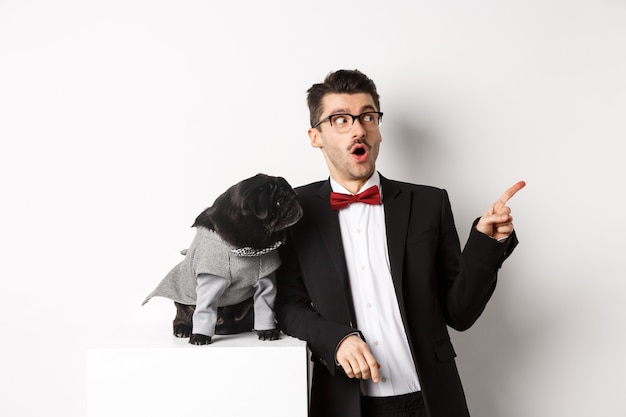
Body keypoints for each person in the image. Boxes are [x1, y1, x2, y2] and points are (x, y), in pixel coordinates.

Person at [274, 69, 525, 417]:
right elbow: (286, 305)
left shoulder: (428, 204)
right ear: (316, 136)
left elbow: (460, 313)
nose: (358, 128)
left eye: (367, 117)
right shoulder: (294, 212)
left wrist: (486, 245)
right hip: (344, 402)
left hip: (429, 401)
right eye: (341, 120)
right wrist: (336, 339)